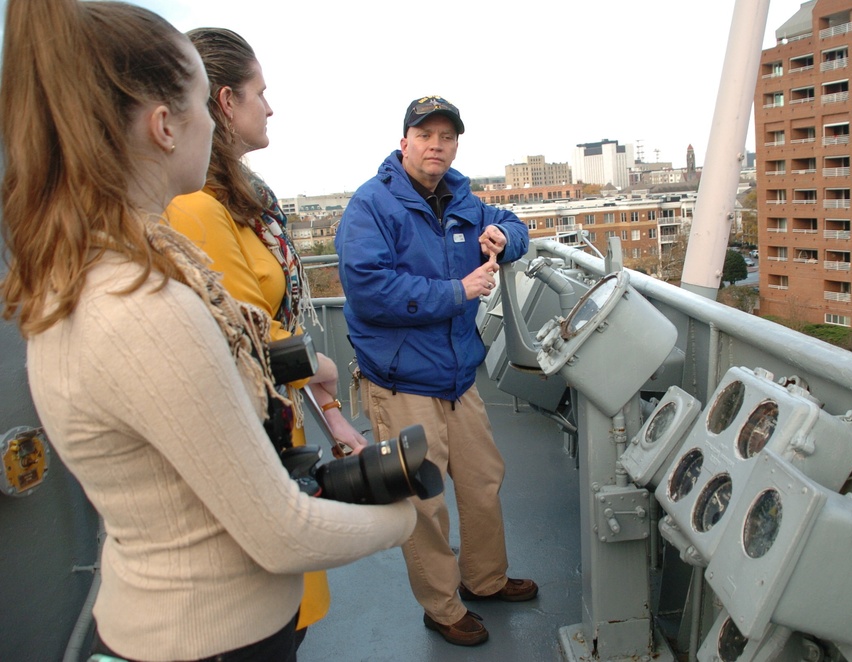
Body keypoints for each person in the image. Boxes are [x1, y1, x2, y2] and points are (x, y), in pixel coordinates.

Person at [0, 2, 415, 661]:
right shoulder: (144, 305)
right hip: (213, 639)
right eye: (201, 102)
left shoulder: (109, 268)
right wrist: (403, 513)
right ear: (165, 125)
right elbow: (280, 532)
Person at [164, 28, 366, 642]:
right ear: (225, 103)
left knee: (285, 624)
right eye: (260, 92)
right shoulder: (198, 206)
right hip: (252, 443)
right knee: (267, 628)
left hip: (279, 427)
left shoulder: (248, 201)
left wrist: (332, 418)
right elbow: (250, 341)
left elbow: (280, 322)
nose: (270, 106)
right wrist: (325, 372)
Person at [335, 96, 536, 647]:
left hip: (458, 378)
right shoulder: (371, 206)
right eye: (426, 135)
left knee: (482, 483)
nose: (437, 146)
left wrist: (505, 240)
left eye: (447, 137)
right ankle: (442, 608)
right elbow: (370, 291)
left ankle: (486, 581)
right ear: (404, 142)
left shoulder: (464, 199)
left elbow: (516, 224)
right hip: (401, 383)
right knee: (424, 506)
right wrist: (458, 291)